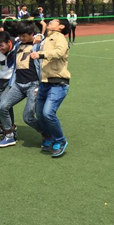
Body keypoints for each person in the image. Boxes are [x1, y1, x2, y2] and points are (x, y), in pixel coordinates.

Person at [0, 21, 43, 148]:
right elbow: (9, 40)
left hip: (34, 85)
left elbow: (45, 39)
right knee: (2, 107)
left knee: (28, 117)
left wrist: (40, 36)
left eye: (24, 36)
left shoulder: (39, 45)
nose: (21, 38)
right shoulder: (17, 45)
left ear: (31, 33)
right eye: (19, 35)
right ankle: (9, 136)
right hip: (18, 84)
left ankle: (47, 133)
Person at [30, 18, 71, 158]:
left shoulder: (59, 37)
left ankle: (60, 140)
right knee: (40, 114)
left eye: (54, 21)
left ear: (61, 26)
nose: (50, 22)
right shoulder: (47, 38)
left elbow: (60, 52)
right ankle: (49, 137)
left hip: (58, 83)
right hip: (44, 82)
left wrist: (41, 54)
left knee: (48, 113)